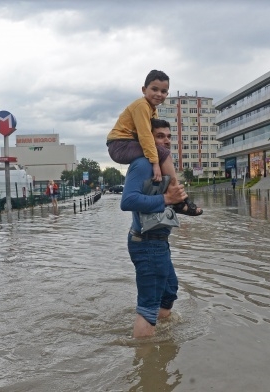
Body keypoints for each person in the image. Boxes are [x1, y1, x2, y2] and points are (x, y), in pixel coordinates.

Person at [120, 120, 188, 338]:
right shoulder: (142, 164)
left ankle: (162, 341)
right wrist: (166, 198)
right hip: (147, 243)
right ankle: (146, 362)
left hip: (159, 242)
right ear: (147, 139)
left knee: (169, 293)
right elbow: (128, 200)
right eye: (159, 136)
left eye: (168, 136)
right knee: (148, 307)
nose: (166, 140)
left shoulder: (159, 163)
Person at [107, 70, 202, 216]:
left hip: (127, 144)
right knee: (163, 152)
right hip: (120, 145)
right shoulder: (142, 106)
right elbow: (146, 136)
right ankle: (178, 197)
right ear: (144, 90)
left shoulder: (153, 110)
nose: (159, 94)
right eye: (154, 89)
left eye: (163, 91)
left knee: (161, 151)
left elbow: (150, 136)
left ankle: (177, 196)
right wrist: (155, 163)